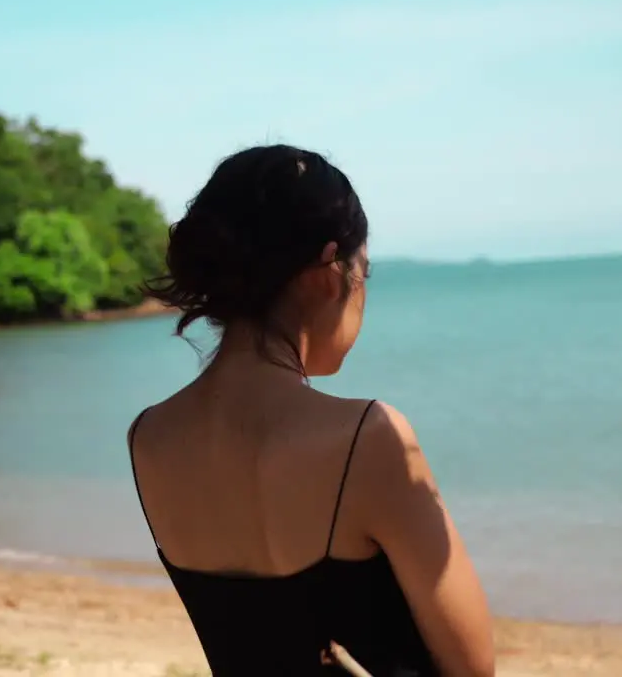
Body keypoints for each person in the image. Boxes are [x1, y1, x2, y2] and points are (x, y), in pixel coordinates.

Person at [128, 144, 495, 676]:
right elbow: (472, 666)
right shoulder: (369, 437)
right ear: (328, 275)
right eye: (362, 271)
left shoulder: (149, 438)